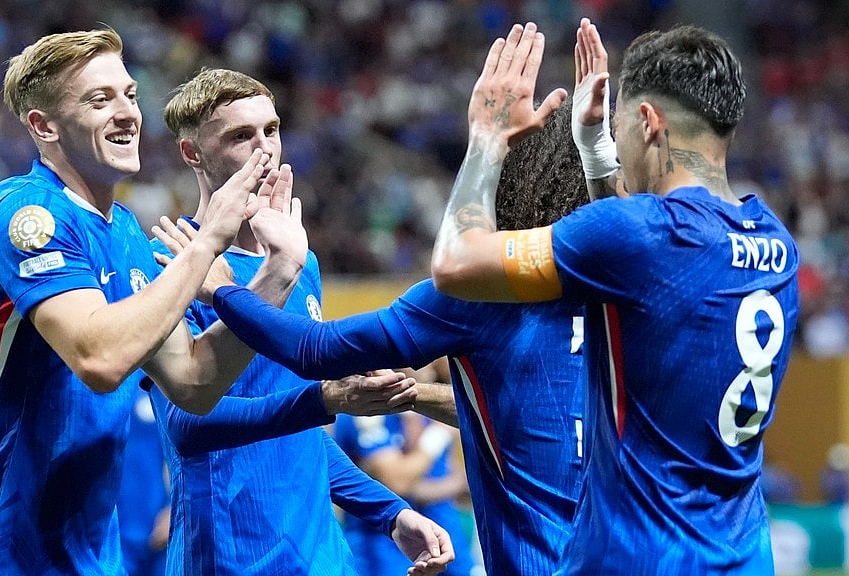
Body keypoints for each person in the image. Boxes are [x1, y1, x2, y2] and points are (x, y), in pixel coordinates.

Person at [0, 29, 306, 575]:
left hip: (92, 560)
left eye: (129, 94)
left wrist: (277, 276)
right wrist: (208, 243)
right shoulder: (23, 214)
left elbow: (194, 381)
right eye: (99, 100)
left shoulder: (126, 233)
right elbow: (100, 359)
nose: (127, 113)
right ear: (44, 126)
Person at [429, 19, 800, 574]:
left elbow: (455, 264)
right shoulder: (776, 242)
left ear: (649, 122)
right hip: (744, 556)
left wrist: (485, 136)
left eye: (620, 122)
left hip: (643, 557)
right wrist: (597, 158)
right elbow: (637, 270)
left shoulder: (644, 235)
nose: (617, 138)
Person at [209, 96, 592, 573]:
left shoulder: (479, 296)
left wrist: (226, 291)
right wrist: (414, 396)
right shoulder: (618, 293)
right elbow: (521, 415)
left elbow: (315, 350)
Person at [149, 67, 455, 576]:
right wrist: (324, 399)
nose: (265, 148)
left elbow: (301, 437)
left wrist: (392, 512)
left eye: (271, 129)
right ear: (191, 153)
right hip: (230, 556)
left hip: (321, 556)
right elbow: (185, 428)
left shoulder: (298, 258)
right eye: (240, 136)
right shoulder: (172, 262)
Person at [333, 409, 476, 576]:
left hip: (447, 546)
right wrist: (437, 438)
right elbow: (397, 482)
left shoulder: (426, 414)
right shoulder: (366, 411)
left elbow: (445, 477)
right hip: (383, 552)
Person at [116, 395, 170, 576]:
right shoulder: (91, 376)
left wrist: (176, 507)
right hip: (109, 532)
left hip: (156, 528)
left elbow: (184, 446)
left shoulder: (160, 377)